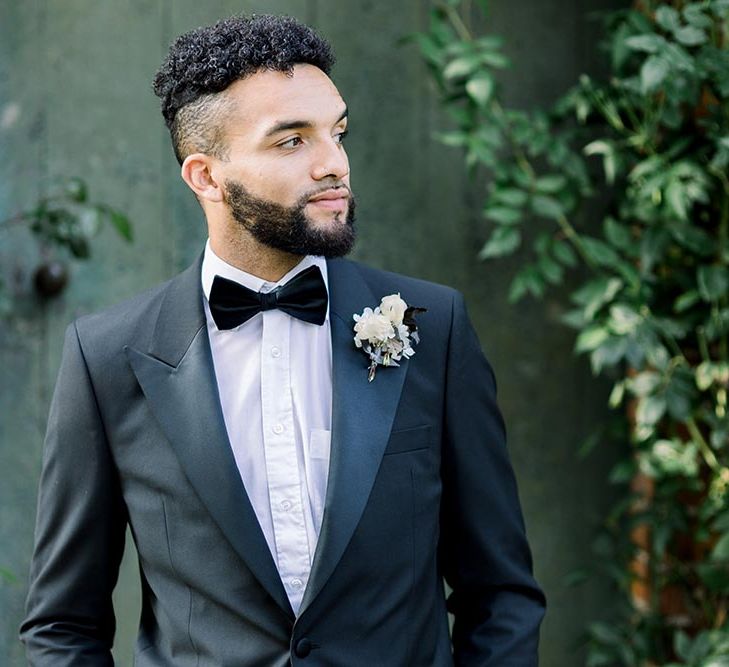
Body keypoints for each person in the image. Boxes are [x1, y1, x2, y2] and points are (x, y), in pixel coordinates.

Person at [20, 14, 546, 666]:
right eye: (291, 141)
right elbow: (63, 625)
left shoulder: (431, 327)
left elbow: (500, 594)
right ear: (206, 177)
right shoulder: (106, 359)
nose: (334, 164)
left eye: (337, 132)